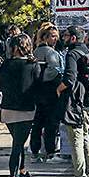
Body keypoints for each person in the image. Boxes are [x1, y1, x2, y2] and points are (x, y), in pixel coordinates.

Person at [57, 26, 89, 177]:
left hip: (76, 103)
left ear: (73, 38)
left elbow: (69, 78)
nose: (63, 38)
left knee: (76, 140)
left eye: (66, 35)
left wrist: (58, 89)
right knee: (84, 135)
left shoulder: (72, 54)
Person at [0, 34, 41, 177]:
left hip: (8, 108)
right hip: (26, 109)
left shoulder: (6, 64)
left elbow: (0, 86)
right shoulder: (33, 65)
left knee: (18, 141)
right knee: (18, 144)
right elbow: (38, 86)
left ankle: (22, 171)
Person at [31, 24, 64, 162]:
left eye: (56, 36)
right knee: (50, 122)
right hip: (49, 91)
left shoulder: (35, 52)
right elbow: (55, 69)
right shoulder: (50, 52)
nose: (55, 39)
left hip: (38, 91)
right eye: (52, 36)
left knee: (38, 122)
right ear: (45, 37)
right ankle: (50, 151)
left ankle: (35, 150)